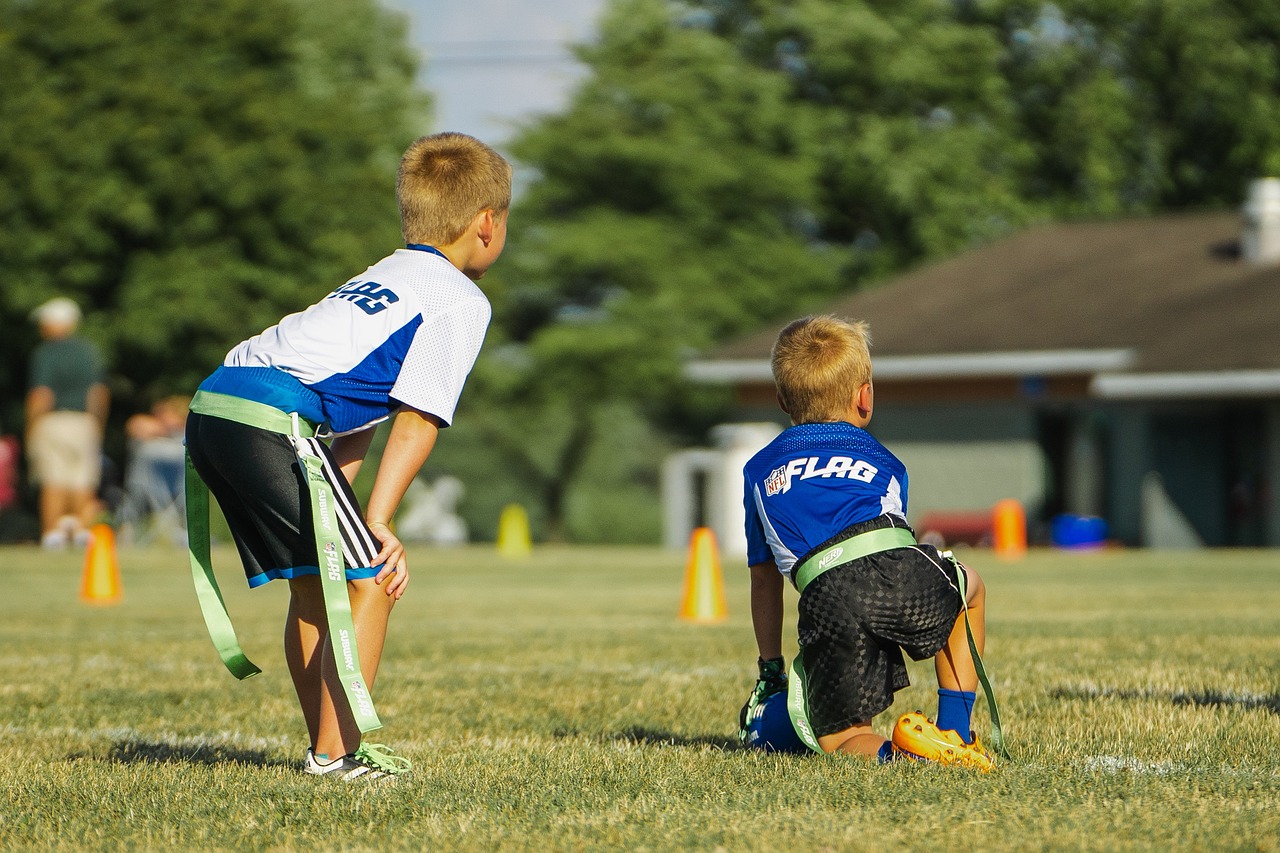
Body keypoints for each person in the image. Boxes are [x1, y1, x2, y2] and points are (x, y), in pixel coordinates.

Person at [184, 132, 511, 781]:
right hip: (274, 417)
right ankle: (337, 756)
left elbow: (356, 411)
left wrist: (354, 520)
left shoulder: (387, 272)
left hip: (218, 404)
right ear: (485, 225)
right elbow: (418, 419)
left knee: (317, 581)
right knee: (372, 580)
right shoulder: (460, 298)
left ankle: (324, 749)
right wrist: (380, 523)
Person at [739, 315, 994, 769]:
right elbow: (893, 537)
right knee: (969, 589)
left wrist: (770, 668)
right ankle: (953, 730)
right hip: (899, 566)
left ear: (781, 400)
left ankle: (899, 756)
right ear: (864, 395)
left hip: (829, 595)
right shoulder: (886, 460)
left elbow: (764, 580)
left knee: (841, 737)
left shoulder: (759, 470)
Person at [25, 297, 110, 549]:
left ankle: (53, 534)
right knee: (83, 480)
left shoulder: (45, 352)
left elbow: (42, 395)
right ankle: (81, 532)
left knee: (54, 479)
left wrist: (30, 426)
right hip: (85, 421)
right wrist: (97, 424)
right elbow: (99, 393)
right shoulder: (89, 351)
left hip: (53, 420)